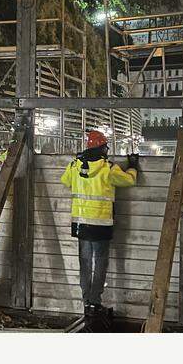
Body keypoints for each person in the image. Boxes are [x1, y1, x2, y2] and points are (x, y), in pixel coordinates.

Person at [60, 130, 138, 316]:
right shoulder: (108, 168)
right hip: (101, 224)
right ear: (103, 148)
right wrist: (133, 166)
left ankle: (87, 302)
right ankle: (95, 301)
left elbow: (65, 181)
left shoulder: (75, 165)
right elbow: (130, 181)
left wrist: (75, 165)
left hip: (80, 223)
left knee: (85, 263)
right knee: (100, 263)